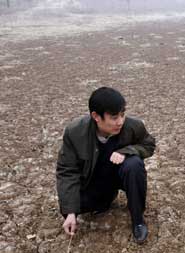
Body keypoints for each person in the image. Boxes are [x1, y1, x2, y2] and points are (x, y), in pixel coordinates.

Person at [56, 87, 156, 243]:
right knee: (79, 207)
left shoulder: (133, 126)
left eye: (122, 115)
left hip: (120, 176)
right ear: (96, 116)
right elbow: (67, 171)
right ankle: (103, 200)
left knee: (134, 164)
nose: (120, 122)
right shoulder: (75, 132)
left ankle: (138, 220)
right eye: (114, 117)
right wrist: (70, 212)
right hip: (94, 180)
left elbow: (148, 145)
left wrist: (127, 151)